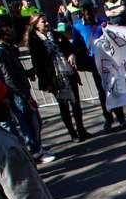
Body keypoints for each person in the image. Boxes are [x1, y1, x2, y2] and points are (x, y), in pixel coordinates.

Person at [0, 19, 56, 164]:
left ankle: (37, 149)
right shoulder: (1, 52)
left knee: (35, 121)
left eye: (9, 29)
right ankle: (35, 152)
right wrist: (25, 96)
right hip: (18, 95)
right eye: (6, 31)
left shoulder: (9, 49)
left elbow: (15, 72)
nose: (10, 33)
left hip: (21, 91)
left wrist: (27, 73)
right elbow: (9, 78)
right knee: (29, 122)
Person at [26, 14, 94, 142]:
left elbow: (70, 48)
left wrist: (72, 54)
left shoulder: (56, 35)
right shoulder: (35, 40)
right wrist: (45, 82)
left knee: (76, 104)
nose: (46, 24)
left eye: (46, 21)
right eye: (43, 22)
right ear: (36, 25)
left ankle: (81, 130)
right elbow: (38, 64)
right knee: (64, 106)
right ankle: (72, 133)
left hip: (68, 73)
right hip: (55, 77)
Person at [72, 0, 126, 131]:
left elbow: (114, 39)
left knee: (114, 89)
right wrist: (72, 54)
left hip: (108, 62)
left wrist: (107, 28)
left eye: (89, 9)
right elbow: (75, 44)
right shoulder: (77, 25)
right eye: (84, 10)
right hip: (93, 63)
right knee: (102, 92)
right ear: (81, 12)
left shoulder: (103, 22)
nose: (87, 12)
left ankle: (121, 117)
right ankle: (108, 118)